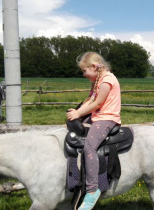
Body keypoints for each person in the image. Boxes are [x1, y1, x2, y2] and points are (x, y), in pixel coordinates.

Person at [67, 52, 121, 210]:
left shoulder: (107, 80)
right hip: (97, 115)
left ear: (94, 67)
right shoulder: (97, 80)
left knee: (89, 147)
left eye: (85, 71)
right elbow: (90, 100)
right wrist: (78, 112)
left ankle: (92, 190)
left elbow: (97, 103)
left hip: (107, 118)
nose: (84, 74)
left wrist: (78, 114)